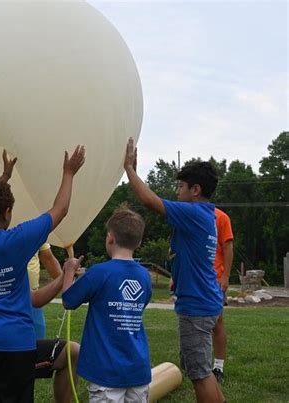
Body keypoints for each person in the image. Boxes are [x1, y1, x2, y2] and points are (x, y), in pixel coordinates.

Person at [0, 147, 85, 402]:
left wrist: (4, 177)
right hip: (15, 344)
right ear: (7, 212)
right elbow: (59, 210)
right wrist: (69, 172)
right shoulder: (16, 241)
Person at [124, 137, 225, 402]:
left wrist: (130, 171)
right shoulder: (206, 215)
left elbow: (150, 202)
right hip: (205, 302)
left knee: (199, 374)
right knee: (203, 370)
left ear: (195, 189)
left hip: (197, 308)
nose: (176, 191)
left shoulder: (194, 214)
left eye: (180, 186)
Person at [62, 206, 152, 403]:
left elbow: (69, 300)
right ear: (138, 241)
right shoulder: (145, 276)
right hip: (138, 368)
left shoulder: (100, 272)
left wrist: (69, 271)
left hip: (106, 369)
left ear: (110, 237)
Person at [212, 208, 234, 383]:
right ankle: (191, 361)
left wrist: (225, 276)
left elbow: (228, 247)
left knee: (217, 321)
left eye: (181, 186)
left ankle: (218, 367)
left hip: (214, 279)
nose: (178, 191)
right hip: (192, 279)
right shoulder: (186, 213)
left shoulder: (221, 217)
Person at [28, 243, 62, 339]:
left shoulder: (35, 228)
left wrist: (65, 282)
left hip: (33, 300)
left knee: (37, 342)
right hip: (4, 296)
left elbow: (48, 259)